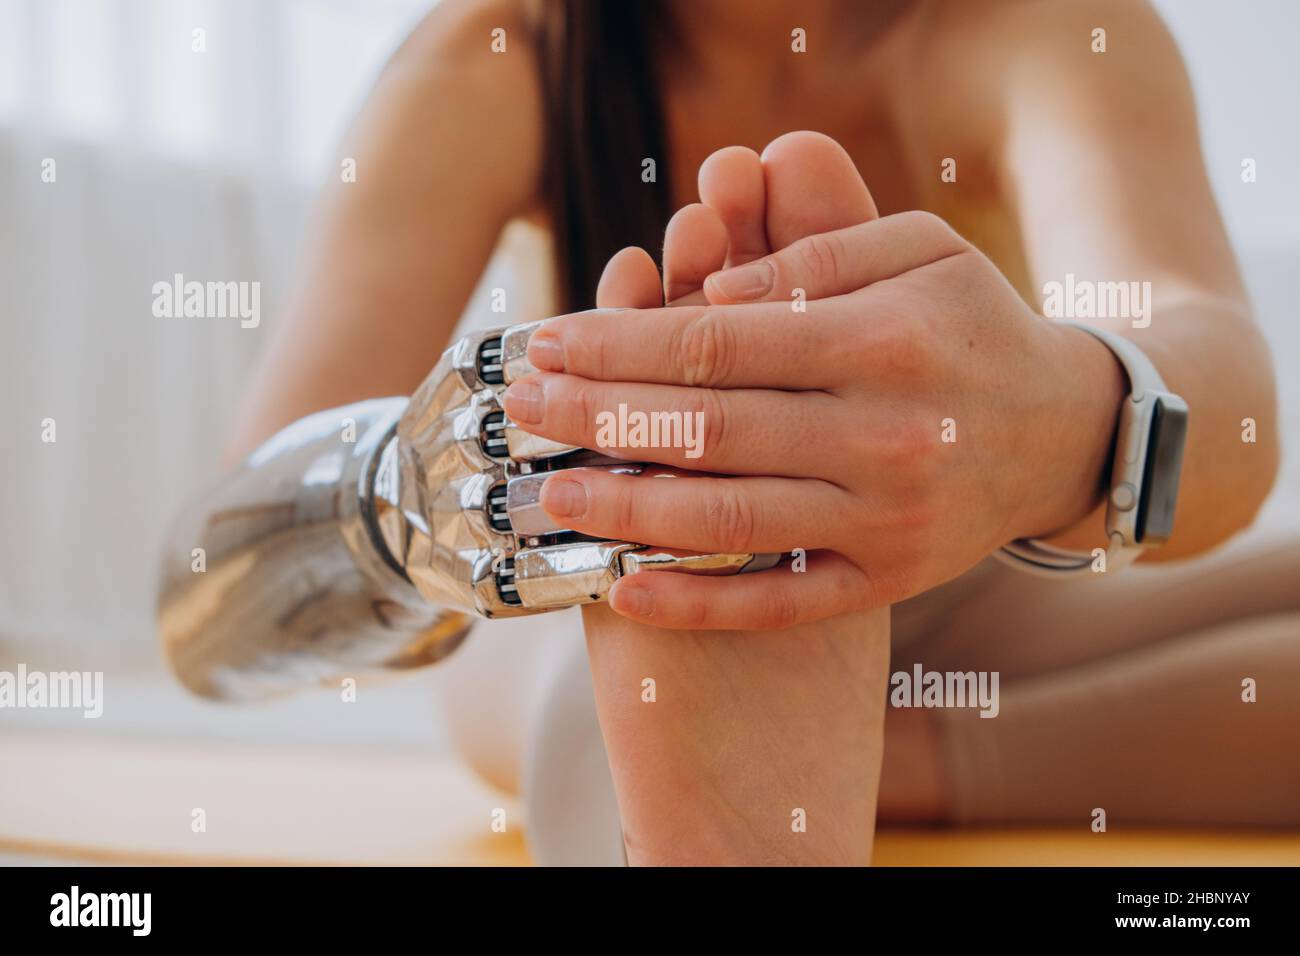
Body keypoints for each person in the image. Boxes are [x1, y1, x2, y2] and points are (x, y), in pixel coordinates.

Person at [221, 0, 1297, 864]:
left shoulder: (1049, 31)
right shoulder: (499, 55)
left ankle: (881, 762)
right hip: (583, 573)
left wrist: (1059, 417)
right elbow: (246, 566)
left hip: (939, 572)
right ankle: (690, 779)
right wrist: (466, 485)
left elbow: (1227, 412)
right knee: (594, 632)